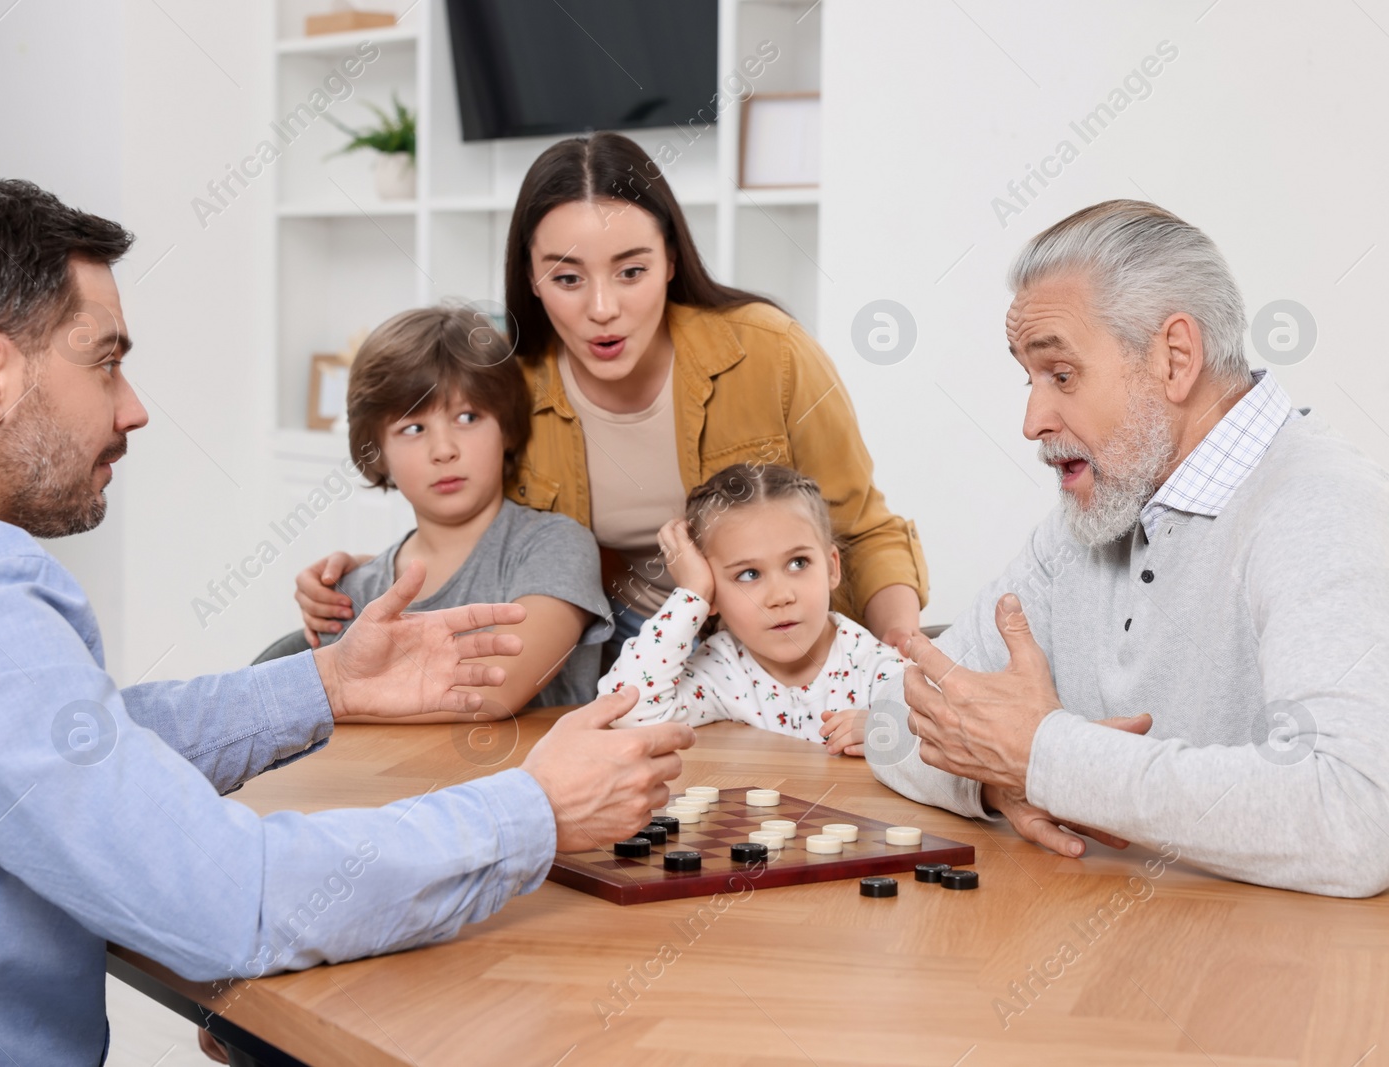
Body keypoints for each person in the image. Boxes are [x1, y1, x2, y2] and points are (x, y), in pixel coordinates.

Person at [0, 179, 695, 1065]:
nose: (134, 407)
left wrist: (328, 681)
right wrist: (534, 808)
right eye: (107, 361)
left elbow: (80, 746)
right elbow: (231, 900)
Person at [868, 200, 1389, 907]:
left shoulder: (1322, 511)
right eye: (1028, 378)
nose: (1032, 420)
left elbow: (1356, 818)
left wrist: (1047, 756)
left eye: (1061, 375)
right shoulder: (1091, 518)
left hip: (1354, 1000)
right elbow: (893, 718)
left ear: (1175, 358)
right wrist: (996, 772)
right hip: (1162, 968)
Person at [296, 131, 929, 665]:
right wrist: (369, 576)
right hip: (617, 653)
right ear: (531, 280)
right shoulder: (510, 384)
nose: (603, 310)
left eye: (631, 271)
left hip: (775, 649)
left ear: (673, 259)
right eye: (567, 278)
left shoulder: (771, 353)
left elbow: (862, 530)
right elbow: (481, 530)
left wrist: (899, 649)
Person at [298, 307, 611, 717]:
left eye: (467, 417)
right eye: (413, 428)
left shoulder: (555, 546)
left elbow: (493, 691)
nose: (444, 450)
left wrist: (326, 698)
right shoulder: (354, 592)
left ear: (508, 428)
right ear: (375, 453)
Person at [602, 464, 902, 757]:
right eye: (749, 574)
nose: (780, 597)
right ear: (712, 593)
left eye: (798, 563)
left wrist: (894, 730)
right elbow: (626, 711)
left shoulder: (877, 668)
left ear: (831, 568)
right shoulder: (724, 669)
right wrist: (693, 593)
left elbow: (943, 740)